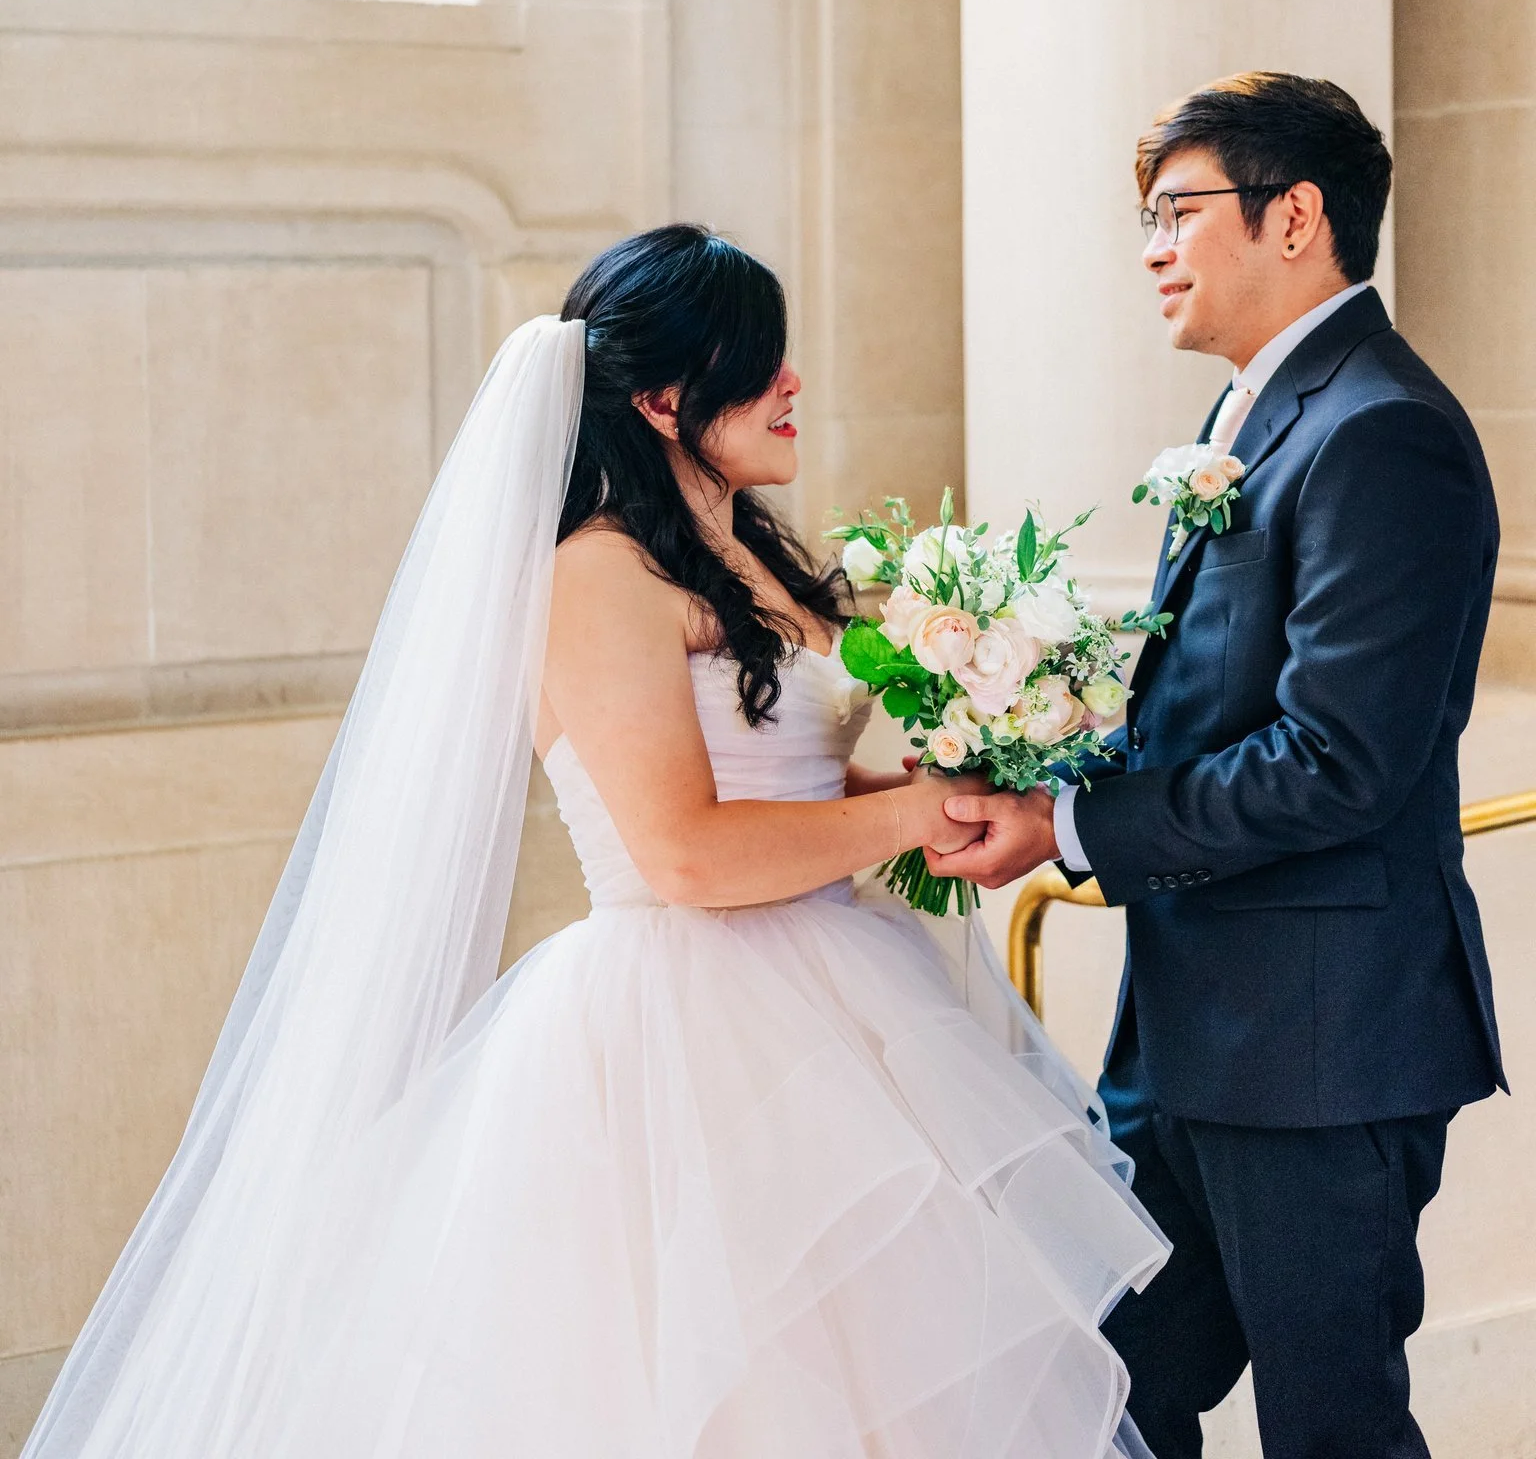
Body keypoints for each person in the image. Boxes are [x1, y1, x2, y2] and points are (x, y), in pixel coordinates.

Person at [24, 225, 1168, 1459]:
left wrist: (910, 777)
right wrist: (903, 816)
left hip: (841, 984)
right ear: (665, 398)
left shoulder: (748, 547)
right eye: (762, 363)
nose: (795, 385)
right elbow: (681, 850)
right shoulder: (595, 573)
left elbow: (784, 773)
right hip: (686, 1026)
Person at [930, 74, 1504, 1459]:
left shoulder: (1383, 431)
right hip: (1192, 1033)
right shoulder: (1251, 418)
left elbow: (1336, 763)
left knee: (1330, 1426)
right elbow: (1212, 698)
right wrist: (1025, 753)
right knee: (1105, 1385)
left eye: (1178, 212)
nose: (1151, 249)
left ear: (1296, 216)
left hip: (1321, 1048)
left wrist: (1075, 825)